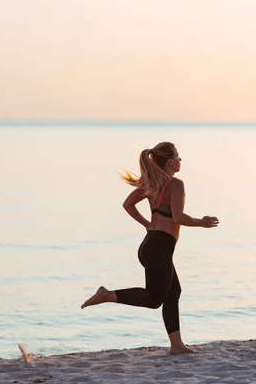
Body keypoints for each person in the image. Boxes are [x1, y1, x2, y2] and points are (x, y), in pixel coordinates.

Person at [81, 142, 219, 354]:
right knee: (155, 299)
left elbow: (127, 204)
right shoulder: (175, 184)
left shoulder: (152, 184)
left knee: (173, 292)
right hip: (159, 247)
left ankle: (177, 345)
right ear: (171, 161)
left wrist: (147, 224)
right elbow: (179, 217)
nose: (181, 161)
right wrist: (203, 221)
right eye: (178, 157)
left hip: (151, 245)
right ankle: (108, 295)